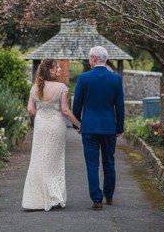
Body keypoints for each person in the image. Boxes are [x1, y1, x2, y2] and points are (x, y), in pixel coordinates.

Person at [22, 59, 80, 211]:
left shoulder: (35, 88)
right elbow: (65, 111)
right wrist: (80, 124)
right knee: (54, 161)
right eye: (57, 67)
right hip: (56, 125)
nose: (60, 70)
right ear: (50, 71)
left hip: (41, 125)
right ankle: (53, 196)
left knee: (39, 158)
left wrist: (42, 115)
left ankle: (38, 199)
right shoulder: (61, 87)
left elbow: (30, 109)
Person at [72, 46, 125, 210]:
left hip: (89, 128)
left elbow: (77, 104)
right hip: (109, 127)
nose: (89, 61)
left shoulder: (84, 78)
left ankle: (96, 199)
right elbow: (120, 106)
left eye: (89, 59)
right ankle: (109, 196)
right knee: (109, 162)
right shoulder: (115, 79)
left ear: (94, 59)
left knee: (92, 164)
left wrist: (77, 124)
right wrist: (119, 128)